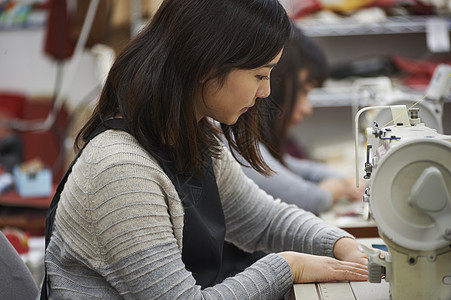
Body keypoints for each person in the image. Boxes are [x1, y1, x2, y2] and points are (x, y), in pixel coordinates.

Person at [40, 0, 368, 299]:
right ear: (207, 66)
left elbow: (262, 220)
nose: (266, 91)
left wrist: (340, 243)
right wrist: (287, 267)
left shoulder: (194, 136)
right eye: (260, 75)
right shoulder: (120, 172)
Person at [238, 26, 365, 215]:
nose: (308, 109)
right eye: (303, 91)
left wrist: (344, 182)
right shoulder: (233, 142)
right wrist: (333, 191)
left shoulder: (251, 146)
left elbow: (291, 167)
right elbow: (305, 198)